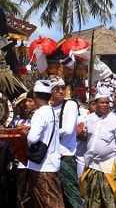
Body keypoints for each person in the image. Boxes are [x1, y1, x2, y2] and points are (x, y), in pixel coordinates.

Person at [80, 94, 116, 208]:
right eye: (102, 102)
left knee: (109, 195)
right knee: (91, 195)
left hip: (108, 164)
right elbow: (86, 137)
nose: (105, 105)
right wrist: (81, 134)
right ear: (95, 104)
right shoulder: (89, 119)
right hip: (91, 164)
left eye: (107, 102)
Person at [26, 80, 64, 208]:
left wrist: (26, 133)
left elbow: (32, 138)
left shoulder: (40, 113)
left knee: (50, 202)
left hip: (42, 166)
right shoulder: (52, 111)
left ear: (36, 96)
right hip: (51, 162)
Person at [50, 77, 83, 208]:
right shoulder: (48, 107)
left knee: (72, 194)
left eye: (62, 88)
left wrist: (46, 134)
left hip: (65, 156)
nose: (61, 91)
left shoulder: (70, 105)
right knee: (54, 193)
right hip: (50, 157)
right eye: (56, 89)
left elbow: (68, 130)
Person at [10, 92, 35, 208]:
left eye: (30, 101)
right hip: (19, 164)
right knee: (18, 193)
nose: (26, 104)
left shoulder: (37, 120)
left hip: (33, 163)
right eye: (24, 102)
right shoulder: (15, 121)